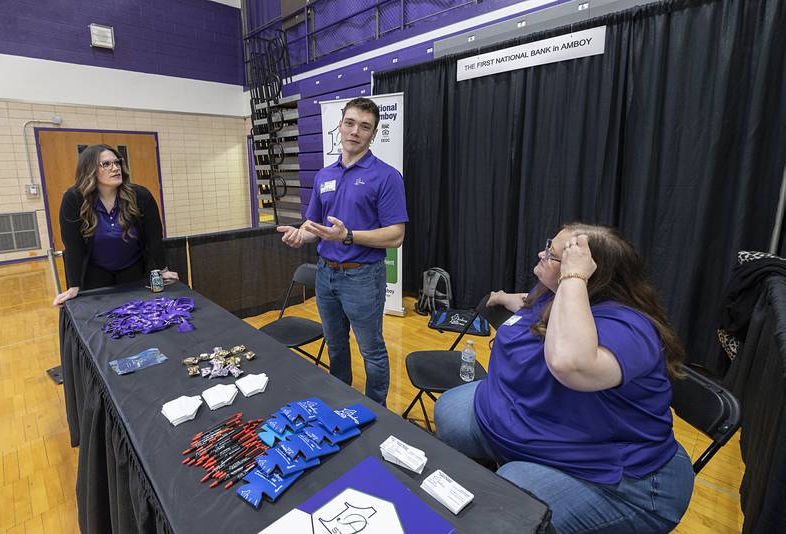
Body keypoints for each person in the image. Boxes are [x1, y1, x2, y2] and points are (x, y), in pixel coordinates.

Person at [434, 223, 695, 533]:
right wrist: (504, 297)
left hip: (622, 482)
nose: (541, 254)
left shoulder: (631, 330)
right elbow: (528, 306)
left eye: (556, 255)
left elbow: (567, 363)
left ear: (587, 274)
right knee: (451, 410)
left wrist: (573, 276)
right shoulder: (552, 293)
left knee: (510, 501)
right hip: (537, 430)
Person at [277, 97, 408, 405]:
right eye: (350, 123)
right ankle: (340, 400)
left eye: (365, 127)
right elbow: (316, 226)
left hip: (362, 278)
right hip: (326, 275)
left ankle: (377, 409)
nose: (355, 132)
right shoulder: (325, 175)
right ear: (340, 125)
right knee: (335, 346)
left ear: (373, 134)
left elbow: (395, 236)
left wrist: (348, 236)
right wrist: (301, 234)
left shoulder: (386, 176)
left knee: (371, 350)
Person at [52, 144, 177, 306]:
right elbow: (73, 244)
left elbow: (154, 236)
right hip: (95, 271)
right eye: (106, 164)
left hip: (134, 268)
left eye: (117, 163)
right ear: (89, 170)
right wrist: (74, 286)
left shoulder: (140, 195)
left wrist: (163, 269)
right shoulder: (74, 198)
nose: (115, 168)